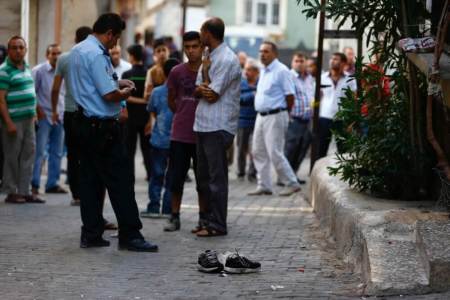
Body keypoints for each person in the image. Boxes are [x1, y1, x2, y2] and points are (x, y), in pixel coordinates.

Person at [67, 13, 158, 251]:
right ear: (109, 33)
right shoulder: (97, 54)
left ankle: (91, 233)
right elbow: (108, 95)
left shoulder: (77, 50)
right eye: (115, 39)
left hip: (83, 123)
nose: (115, 44)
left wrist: (118, 83)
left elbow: (93, 84)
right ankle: (130, 235)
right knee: (121, 181)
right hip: (102, 127)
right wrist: (125, 94)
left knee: (90, 182)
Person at [193, 17, 241, 237]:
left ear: (208, 34)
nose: (199, 36)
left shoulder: (227, 59)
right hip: (202, 124)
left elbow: (212, 94)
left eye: (201, 32)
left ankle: (218, 224)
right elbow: (195, 90)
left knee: (216, 178)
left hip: (218, 125)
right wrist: (203, 82)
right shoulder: (207, 57)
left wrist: (204, 82)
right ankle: (205, 220)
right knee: (202, 178)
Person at [162, 31, 207, 232]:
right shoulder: (176, 72)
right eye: (187, 47)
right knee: (176, 178)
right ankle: (174, 216)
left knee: (202, 180)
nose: (191, 51)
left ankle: (203, 218)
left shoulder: (210, 70)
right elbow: (171, 99)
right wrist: (182, 113)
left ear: (202, 47)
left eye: (195, 46)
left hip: (203, 133)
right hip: (180, 133)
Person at [248, 41, 301, 197]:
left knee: (274, 152)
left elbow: (290, 96)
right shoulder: (264, 70)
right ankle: (264, 185)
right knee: (258, 151)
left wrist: (284, 114)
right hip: (261, 115)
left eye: (266, 51)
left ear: (275, 54)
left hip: (276, 115)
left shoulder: (282, 71)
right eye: (260, 51)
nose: (262, 54)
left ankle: (292, 183)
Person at [51, 26, 92, 206]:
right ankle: (89, 192)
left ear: (75, 39)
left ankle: (76, 194)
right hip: (90, 112)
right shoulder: (93, 57)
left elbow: (55, 88)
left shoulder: (64, 58)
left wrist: (54, 110)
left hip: (70, 112)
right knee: (89, 154)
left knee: (73, 155)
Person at [0, 36, 43, 203]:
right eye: (14, 48)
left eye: (21, 47)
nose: (18, 51)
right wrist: (8, 122)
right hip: (13, 120)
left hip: (29, 120)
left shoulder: (26, 67)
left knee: (28, 155)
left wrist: (34, 114)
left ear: (25, 50)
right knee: (12, 156)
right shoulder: (4, 70)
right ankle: (11, 191)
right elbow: (1, 100)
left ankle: (24, 191)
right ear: (9, 50)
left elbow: (30, 92)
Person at [141, 58, 179, 219]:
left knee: (156, 174)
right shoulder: (182, 94)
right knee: (172, 176)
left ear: (163, 72)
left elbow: (152, 111)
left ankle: (154, 206)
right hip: (177, 140)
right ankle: (168, 208)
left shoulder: (156, 92)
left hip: (159, 139)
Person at [31, 43, 67, 197]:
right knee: (39, 152)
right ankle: (35, 183)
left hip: (59, 116)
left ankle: (52, 183)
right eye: (53, 53)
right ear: (48, 55)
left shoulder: (64, 72)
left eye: (59, 53)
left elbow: (63, 94)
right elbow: (32, 93)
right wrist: (39, 112)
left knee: (57, 152)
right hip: (44, 116)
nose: (57, 56)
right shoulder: (38, 71)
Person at [318, 52, 357, 159]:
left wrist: (351, 121)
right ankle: (315, 172)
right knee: (320, 148)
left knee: (344, 150)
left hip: (342, 119)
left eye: (336, 59)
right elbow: (316, 98)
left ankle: (344, 174)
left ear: (344, 63)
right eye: (331, 58)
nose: (332, 61)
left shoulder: (350, 79)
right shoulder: (322, 78)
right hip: (324, 118)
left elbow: (354, 100)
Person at [121, 44, 152, 181]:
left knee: (129, 149)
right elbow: (151, 95)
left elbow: (124, 96)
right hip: (146, 116)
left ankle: (129, 176)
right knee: (147, 149)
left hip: (131, 117)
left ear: (132, 56)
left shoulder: (127, 75)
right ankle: (151, 175)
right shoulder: (149, 73)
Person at [284, 52, 315, 182]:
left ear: (306, 63)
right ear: (292, 62)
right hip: (294, 119)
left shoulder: (310, 78)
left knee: (302, 148)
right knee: (291, 148)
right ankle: (285, 177)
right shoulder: (288, 76)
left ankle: (293, 175)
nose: (299, 63)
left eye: (301, 61)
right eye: (296, 61)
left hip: (308, 120)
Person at [236, 58, 258, 182]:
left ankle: (252, 173)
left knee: (254, 149)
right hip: (243, 121)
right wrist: (253, 95)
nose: (246, 72)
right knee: (241, 149)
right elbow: (239, 99)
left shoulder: (260, 83)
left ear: (256, 71)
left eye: (249, 70)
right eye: (246, 69)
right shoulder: (241, 83)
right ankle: (240, 172)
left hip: (256, 121)